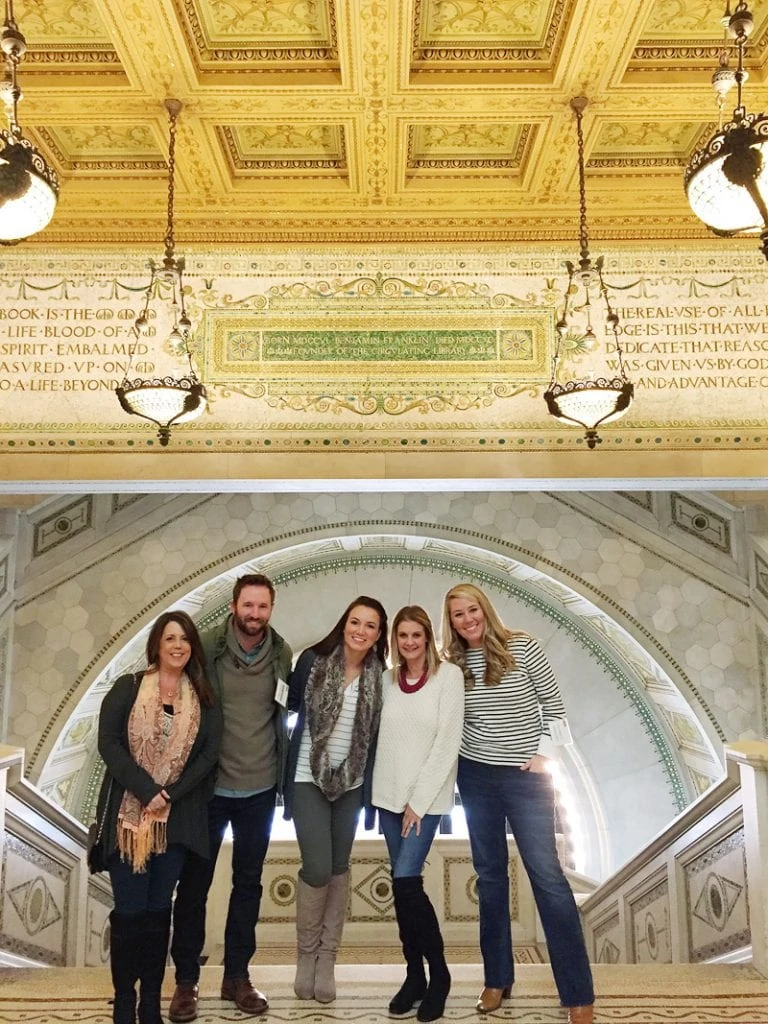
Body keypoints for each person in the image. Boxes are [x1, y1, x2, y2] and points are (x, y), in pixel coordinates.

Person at [441, 583, 595, 1024]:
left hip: (526, 780)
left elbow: (555, 707)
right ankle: (497, 979)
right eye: (457, 614)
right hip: (476, 779)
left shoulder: (522, 646)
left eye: (472, 610)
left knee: (548, 878)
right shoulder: (452, 663)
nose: (467, 619)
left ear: (485, 610)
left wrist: (544, 752)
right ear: (449, 621)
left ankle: (578, 993)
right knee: (489, 879)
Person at [169, 574, 293, 1021]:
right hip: (208, 790)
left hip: (260, 790)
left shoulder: (282, 652)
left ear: (270, 610)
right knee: (194, 887)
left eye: (262, 607)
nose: (254, 615)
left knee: (249, 886)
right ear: (234, 606)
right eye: (248, 606)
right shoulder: (205, 647)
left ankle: (237, 976)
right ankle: (186, 981)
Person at [96, 610, 221, 1024]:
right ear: (157, 644)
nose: (178, 645)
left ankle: (150, 999)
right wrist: (149, 792)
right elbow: (109, 745)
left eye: (185, 638)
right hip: (128, 821)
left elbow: (208, 754)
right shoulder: (127, 688)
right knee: (130, 914)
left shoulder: (202, 695)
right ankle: (123, 1001)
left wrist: (170, 794)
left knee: (157, 913)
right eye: (170, 638)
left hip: (176, 822)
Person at [284, 596, 388, 1003]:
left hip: (353, 783)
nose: (360, 630)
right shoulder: (313, 660)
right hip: (307, 777)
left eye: (370, 625)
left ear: (380, 635)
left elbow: (382, 734)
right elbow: (284, 707)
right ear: (344, 623)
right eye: (355, 621)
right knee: (318, 866)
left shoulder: (381, 676)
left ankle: (327, 959)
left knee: (340, 867)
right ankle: (305, 956)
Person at [371, 605, 464, 1022]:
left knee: (407, 883)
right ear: (395, 640)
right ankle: (414, 977)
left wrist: (418, 803)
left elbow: (447, 743)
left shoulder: (449, 678)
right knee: (401, 885)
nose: (409, 643)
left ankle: (439, 975)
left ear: (428, 637)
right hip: (388, 800)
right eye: (402, 636)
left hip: (423, 802)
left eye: (416, 635)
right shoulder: (387, 681)